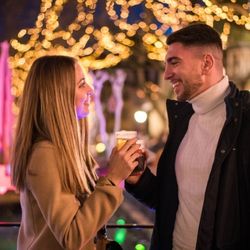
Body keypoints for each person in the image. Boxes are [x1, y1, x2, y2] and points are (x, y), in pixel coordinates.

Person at [125, 23, 250, 250]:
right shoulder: (182, 118)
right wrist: (139, 180)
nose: (166, 74)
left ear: (206, 63)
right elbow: (171, 201)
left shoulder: (245, 118)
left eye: (174, 62)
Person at [11, 55, 141, 250]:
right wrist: (112, 179)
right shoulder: (45, 154)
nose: (90, 90)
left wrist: (123, 170)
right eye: (81, 84)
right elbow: (72, 237)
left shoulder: (68, 149)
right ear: (58, 95)